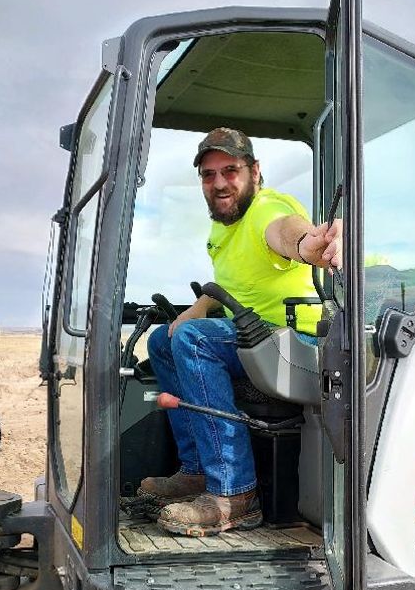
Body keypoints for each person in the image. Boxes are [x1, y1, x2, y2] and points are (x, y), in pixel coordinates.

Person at [139, 127, 340, 537]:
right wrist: (198, 307)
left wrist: (307, 245)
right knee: (165, 338)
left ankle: (235, 494)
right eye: (209, 175)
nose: (219, 183)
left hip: (296, 343)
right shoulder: (222, 230)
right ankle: (197, 471)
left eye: (230, 171)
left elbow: (285, 231)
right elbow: (234, 284)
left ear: (254, 172)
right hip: (256, 337)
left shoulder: (267, 208)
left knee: (194, 341)